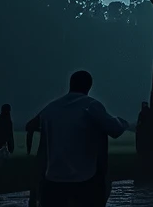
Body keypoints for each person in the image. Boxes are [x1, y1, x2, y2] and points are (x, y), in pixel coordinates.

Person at [26, 70, 129, 207]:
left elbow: (31, 125)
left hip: (53, 177)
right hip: (85, 177)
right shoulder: (91, 106)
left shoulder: (51, 108)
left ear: (71, 84)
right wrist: (124, 123)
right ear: (89, 86)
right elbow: (115, 129)